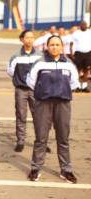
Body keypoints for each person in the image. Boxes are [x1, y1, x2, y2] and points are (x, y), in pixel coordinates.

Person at [26, 35, 80, 184]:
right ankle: (35, 168)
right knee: (41, 138)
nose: (54, 47)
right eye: (52, 45)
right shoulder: (40, 63)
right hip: (43, 104)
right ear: (47, 47)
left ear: (62, 47)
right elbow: (31, 81)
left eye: (57, 45)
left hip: (62, 104)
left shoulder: (69, 64)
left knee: (63, 138)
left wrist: (61, 92)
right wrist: (44, 92)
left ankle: (66, 170)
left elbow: (74, 83)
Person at [7, 30, 42, 152]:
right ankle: (20, 141)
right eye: (27, 38)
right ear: (21, 39)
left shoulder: (40, 55)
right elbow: (10, 72)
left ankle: (41, 142)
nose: (30, 40)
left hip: (36, 91)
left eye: (32, 37)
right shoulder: (16, 56)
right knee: (21, 116)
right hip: (21, 90)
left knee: (39, 116)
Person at [70, 21, 91, 92]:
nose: (84, 25)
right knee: (77, 70)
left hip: (88, 53)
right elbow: (71, 43)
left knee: (86, 70)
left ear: (87, 25)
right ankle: (78, 87)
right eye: (82, 24)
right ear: (80, 26)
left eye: (85, 24)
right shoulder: (76, 33)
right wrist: (71, 53)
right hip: (78, 53)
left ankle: (84, 87)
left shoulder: (89, 32)